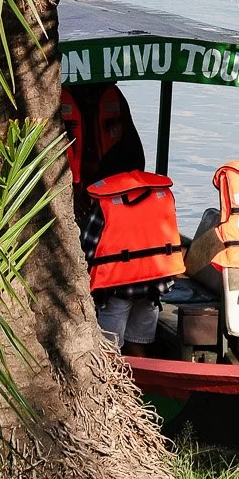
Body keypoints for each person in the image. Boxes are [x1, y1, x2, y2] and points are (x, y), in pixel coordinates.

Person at [62, 83, 159, 353]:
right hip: (151, 287)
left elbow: (88, 247)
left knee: (109, 348)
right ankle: (142, 385)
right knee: (140, 344)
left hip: (116, 288)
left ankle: (115, 388)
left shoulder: (105, 209)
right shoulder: (158, 201)